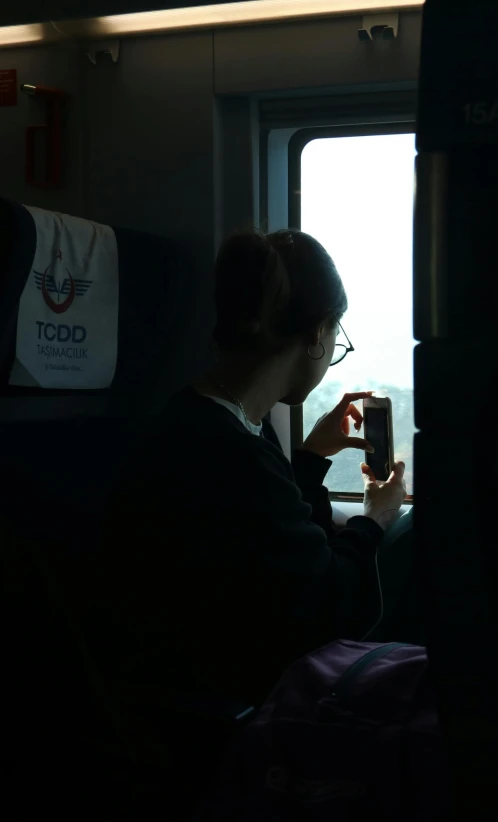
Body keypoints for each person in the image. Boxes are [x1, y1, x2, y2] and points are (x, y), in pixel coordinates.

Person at [86, 228, 406, 711]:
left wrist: (312, 460)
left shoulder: (219, 420)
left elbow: (273, 544)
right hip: (204, 712)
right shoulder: (228, 452)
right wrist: (373, 520)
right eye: (337, 335)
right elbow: (329, 610)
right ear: (317, 333)